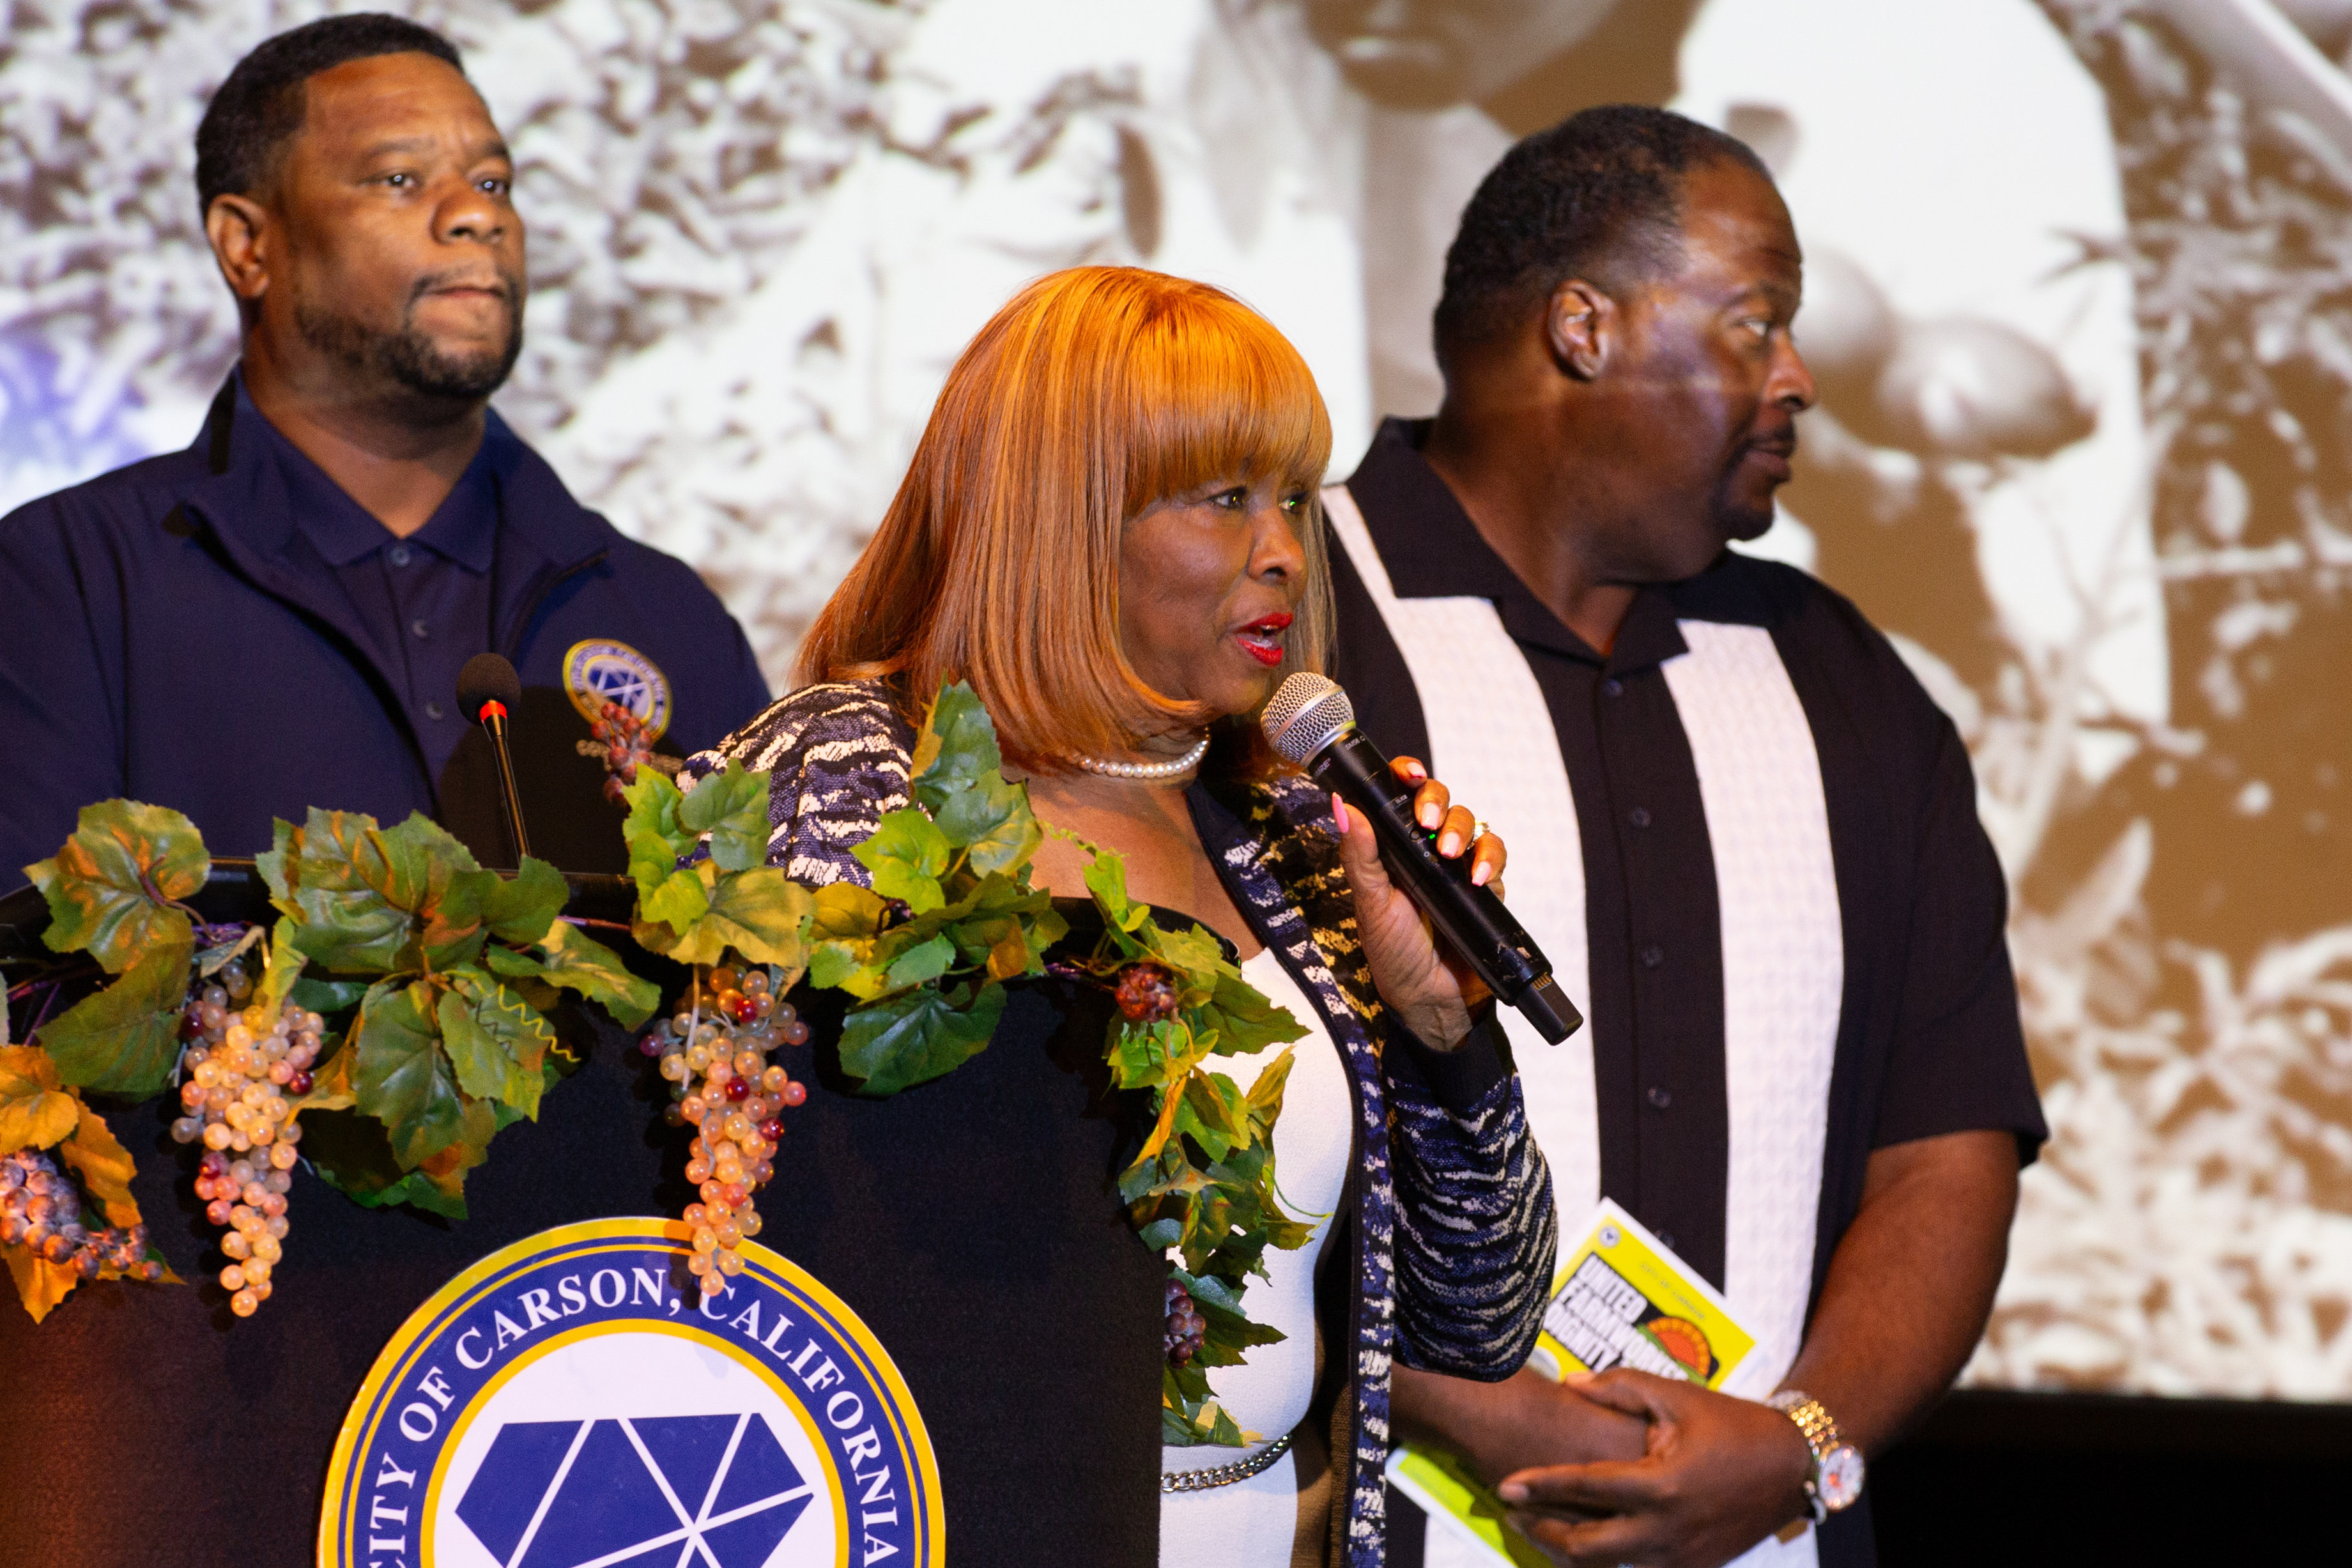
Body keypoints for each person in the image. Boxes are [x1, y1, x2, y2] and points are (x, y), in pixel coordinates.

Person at [697, 265, 1558, 1565]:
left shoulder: (1296, 841)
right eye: (1222, 498)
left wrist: (1446, 1029)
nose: (1283, 548)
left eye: (1290, 497)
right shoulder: (846, 776)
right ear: (1062, 516)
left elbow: (1476, 1327)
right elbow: (716, 1219)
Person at [1319, 107, 2048, 1568]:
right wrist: (1464, 1404)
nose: (1798, 378)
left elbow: (1943, 1146)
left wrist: (1799, 1442)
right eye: (1752, 321)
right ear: (1581, 329)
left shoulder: (1849, 689)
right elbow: (1172, 1118)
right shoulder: (1294, 630)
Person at [0, 13, 769, 884]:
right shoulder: (71, 580)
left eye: (494, 182)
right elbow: (30, 951)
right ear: (247, 245)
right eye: (400, 179)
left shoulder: (670, 617)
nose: (476, 214)